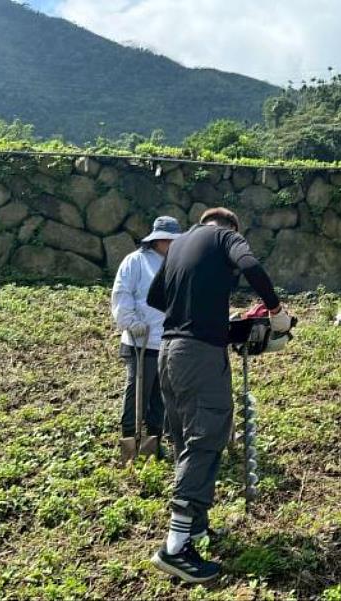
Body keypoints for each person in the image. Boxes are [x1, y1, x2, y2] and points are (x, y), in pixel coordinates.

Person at [147, 207, 292, 583]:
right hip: (198, 357)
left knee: (184, 440)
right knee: (206, 437)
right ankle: (175, 547)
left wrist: (213, 320)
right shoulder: (225, 237)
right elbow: (252, 266)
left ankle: (195, 528)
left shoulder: (178, 246)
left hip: (168, 351)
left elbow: (156, 296)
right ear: (231, 226)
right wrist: (275, 310)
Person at [111, 216, 183, 462]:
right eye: (169, 240)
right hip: (140, 340)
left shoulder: (178, 263)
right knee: (137, 390)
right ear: (158, 240)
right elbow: (122, 294)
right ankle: (130, 436)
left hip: (167, 339)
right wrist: (130, 322)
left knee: (161, 395)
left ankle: (154, 439)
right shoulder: (135, 262)